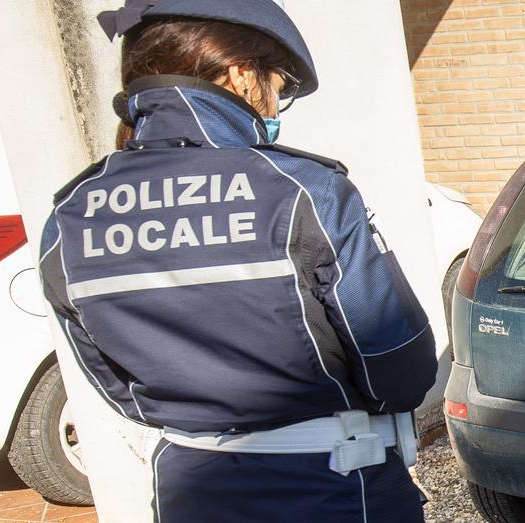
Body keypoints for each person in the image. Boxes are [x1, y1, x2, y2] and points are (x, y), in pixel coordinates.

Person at [38, 1, 437, 521]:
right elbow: (399, 363)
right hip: (332, 485)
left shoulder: (69, 215)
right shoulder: (303, 190)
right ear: (241, 74)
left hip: (189, 488)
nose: (273, 109)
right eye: (278, 87)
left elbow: (116, 386)